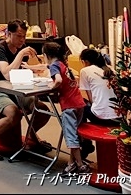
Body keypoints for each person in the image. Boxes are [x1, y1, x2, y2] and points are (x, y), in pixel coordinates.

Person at [0, 19, 52, 161]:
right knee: (13, 113)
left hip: (17, 89)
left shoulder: (21, 47)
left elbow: (24, 66)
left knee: (43, 110)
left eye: (24, 36)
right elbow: (7, 74)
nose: (22, 40)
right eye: (19, 36)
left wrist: (37, 69)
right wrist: (20, 54)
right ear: (9, 34)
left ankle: (31, 135)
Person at [42, 41, 90, 175]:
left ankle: (80, 165)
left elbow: (58, 80)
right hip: (79, 103)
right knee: (75, 133)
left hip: (69, 105)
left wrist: (51, 87)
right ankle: (71, 163)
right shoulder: (63, 64)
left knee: (71, 136)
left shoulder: (54, 66)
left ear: (46, 55)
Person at [79, 48, 119, 125]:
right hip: (118, 118)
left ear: (85, 61)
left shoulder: (85, 71)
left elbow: (90, 98)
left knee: (81, 102)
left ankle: (82, 131)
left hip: (102, 118)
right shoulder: (111, 69)